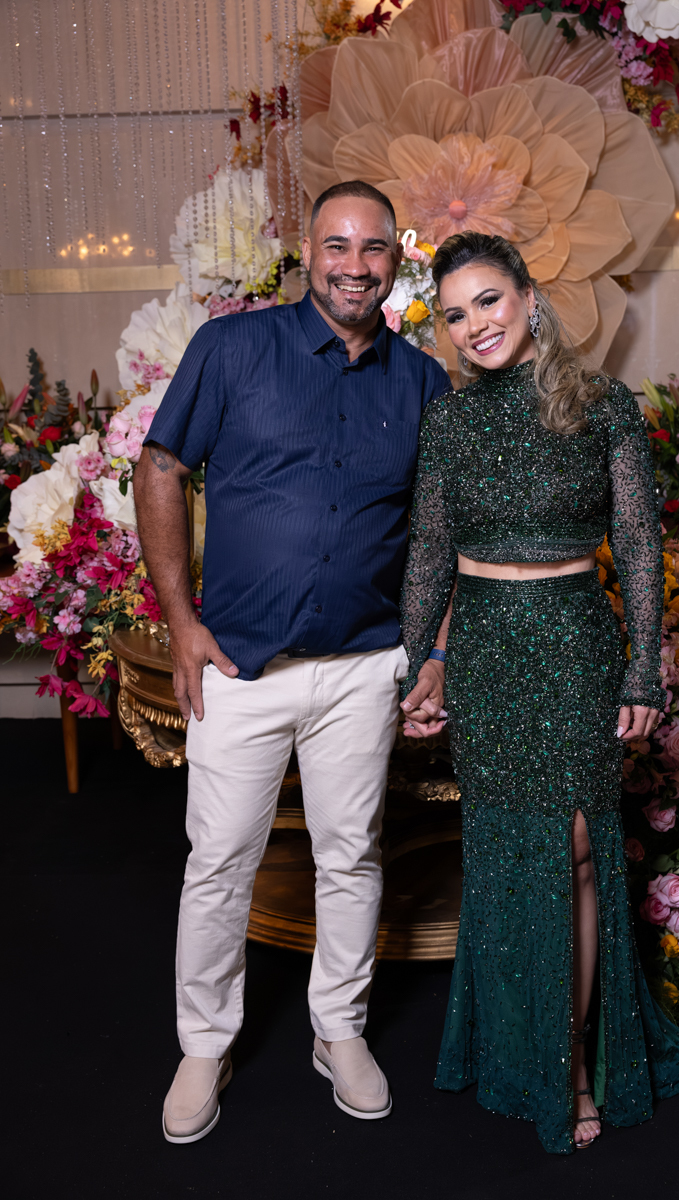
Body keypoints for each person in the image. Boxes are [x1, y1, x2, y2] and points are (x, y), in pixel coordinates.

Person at [133, 180, 451, 1144]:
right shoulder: (232, 349)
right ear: (306, 253)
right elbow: (161, 467)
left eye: (373, 248)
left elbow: (440, 527)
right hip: (239, 666)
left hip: (363, 667)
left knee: (350, 856)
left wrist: (434, 646)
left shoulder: (422, 382)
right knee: (220, 860)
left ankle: (338, 1030)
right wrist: (180, 623)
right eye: (336, 246)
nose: (354, 265)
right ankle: (204, 1044)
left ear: (396, 262)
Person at [399, 232, 679, 1154]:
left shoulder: (602, 405)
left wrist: (643, 666)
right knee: (505, 854)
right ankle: (518, 1046)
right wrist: (420, 663)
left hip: (573, 644)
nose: (474, 326)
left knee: (576, 851)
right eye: (455, 314)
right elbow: (429, 552)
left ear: (529, 298)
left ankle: (570, 1065)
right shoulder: (449, 422)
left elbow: (638, 542)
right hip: (486, 652)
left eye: (488, 300)